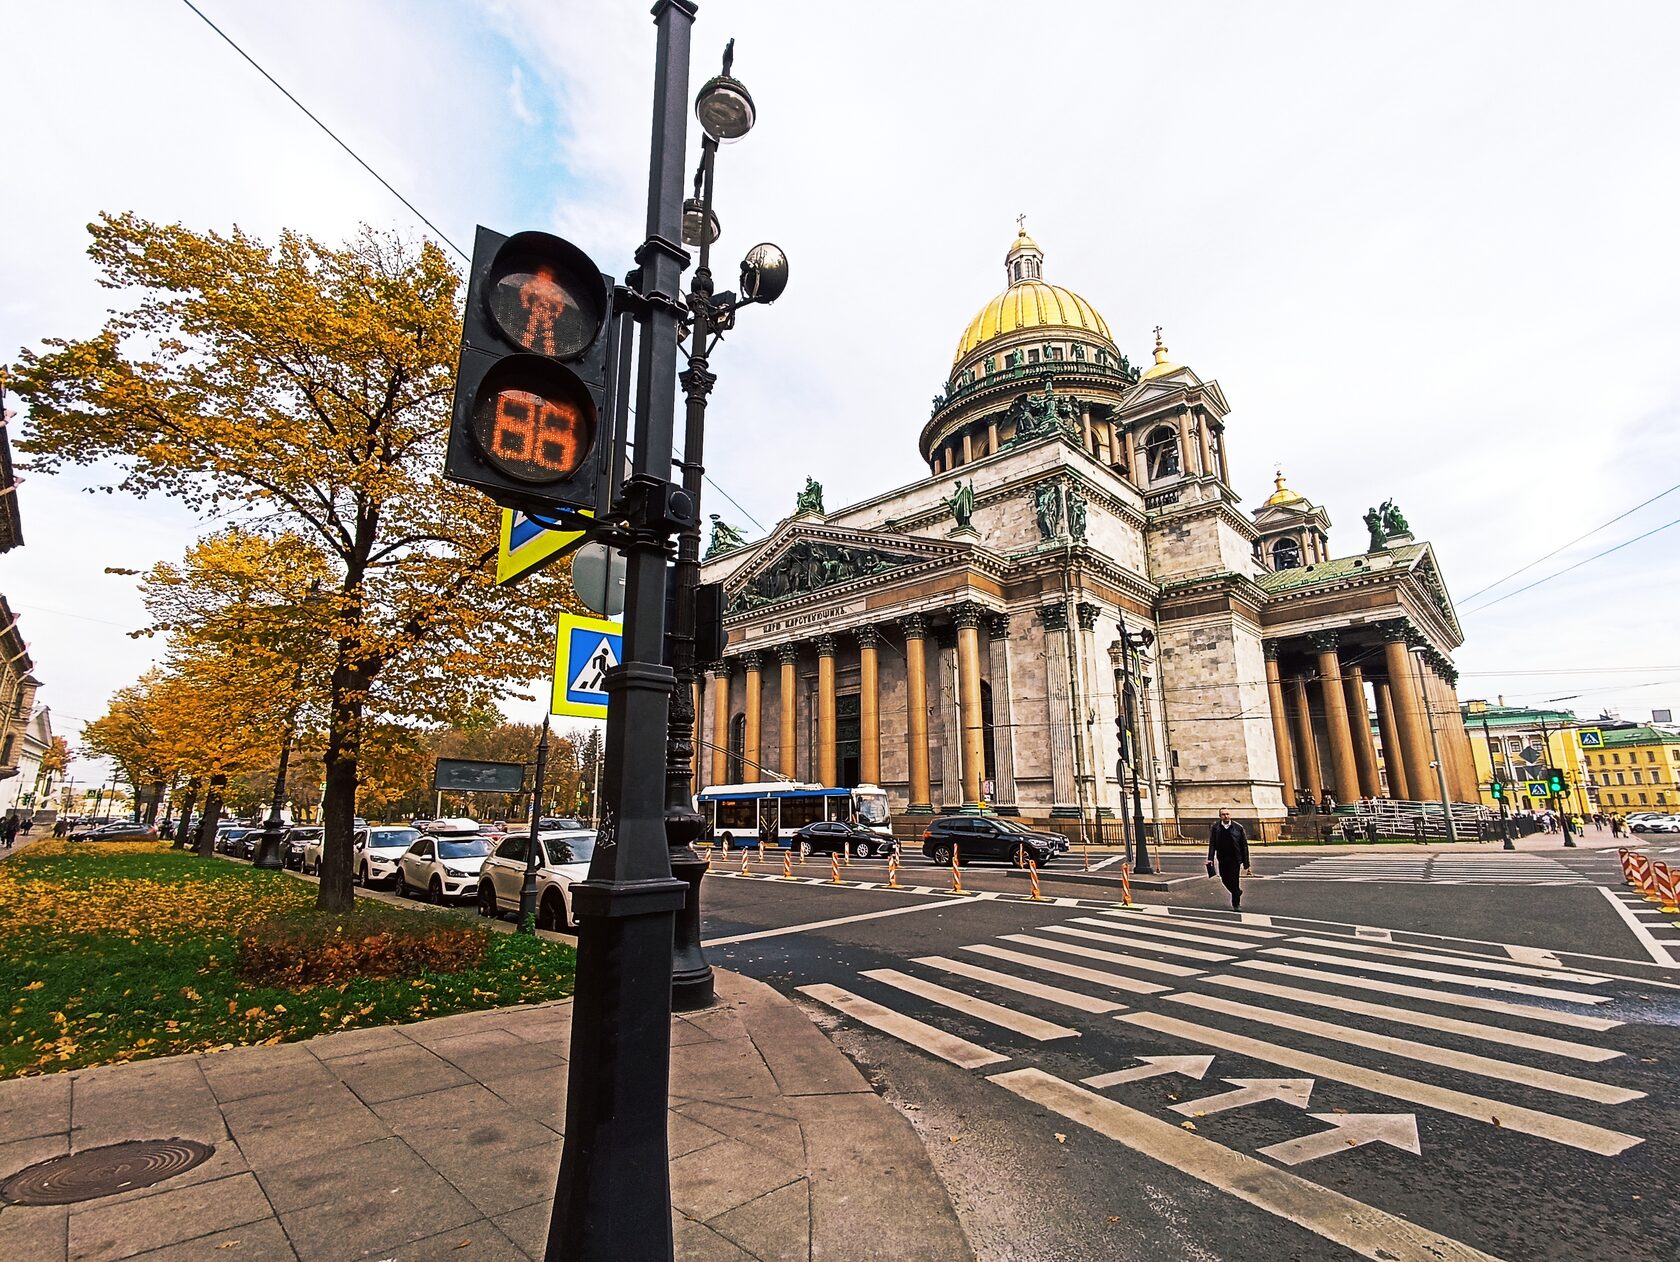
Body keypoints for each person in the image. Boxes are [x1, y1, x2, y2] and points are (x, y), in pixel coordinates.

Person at [1206, 809, 1252, 910]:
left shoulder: (1238, 827)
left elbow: (1244, 846)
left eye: (1227, 814)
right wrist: (1210, 858)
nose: (1226, 816)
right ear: (1220, 816)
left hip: (1235, 858)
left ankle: (1236, 904)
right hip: (1222, 858)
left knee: (1234, 880)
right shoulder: (1216, 827)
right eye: (1223, 814)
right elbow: (1212, 844)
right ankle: (1237, 892)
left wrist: (1246, 863)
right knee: (1224, 879)